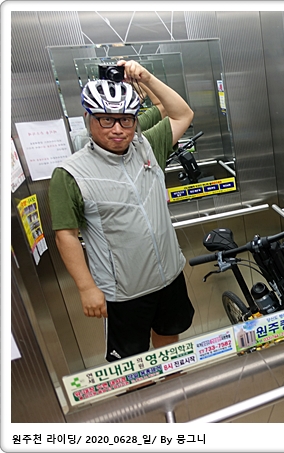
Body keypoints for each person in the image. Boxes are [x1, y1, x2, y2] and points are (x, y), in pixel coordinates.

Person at [49, 59, 195, 362]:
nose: (117, 129)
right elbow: (66, 235)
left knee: (169, 339)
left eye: (126, 120)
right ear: (89, 119)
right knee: (132, 361)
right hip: (124, 292)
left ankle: (173, 380)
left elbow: (183, 114)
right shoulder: (69, 174)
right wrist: (86, 288)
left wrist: (147, 78)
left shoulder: (148, 146)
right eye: (106, 120)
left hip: (169, 276)